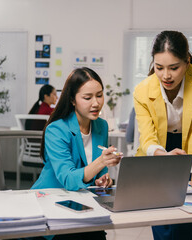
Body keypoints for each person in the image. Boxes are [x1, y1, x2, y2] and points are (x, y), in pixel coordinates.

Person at [133, 30, 192, 240]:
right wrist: (161, 156)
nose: (166, 75)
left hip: (190, 146)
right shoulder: (142, 91)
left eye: (174, 67)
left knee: (187, 217)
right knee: (163, 218)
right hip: (158, 150)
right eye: (159, 67)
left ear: (187, 61)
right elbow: (147, 137)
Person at [31, 67, 122, 240]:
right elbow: (68, 179)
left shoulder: (101, 126)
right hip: (52, 207)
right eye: (87, 98)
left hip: (84, 206)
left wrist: (103, 180)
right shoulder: (56, 129)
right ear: (72, 100)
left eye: (99, 95)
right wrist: (101, 162)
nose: (96, 103)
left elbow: (97, 174)